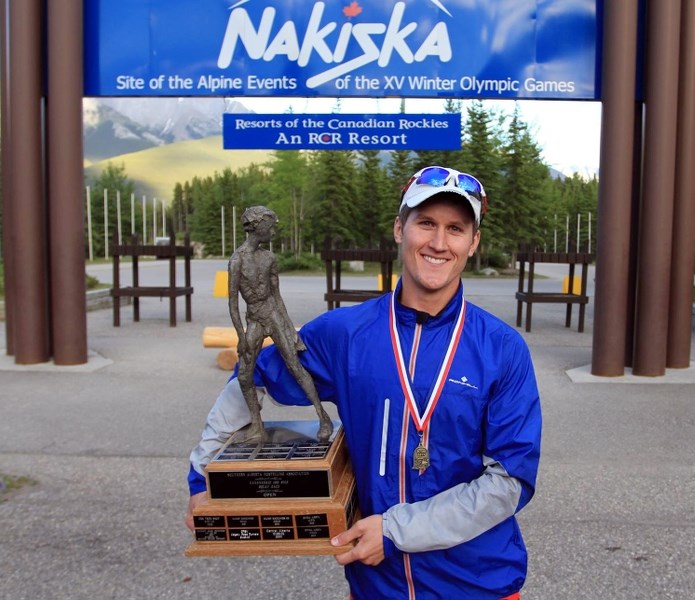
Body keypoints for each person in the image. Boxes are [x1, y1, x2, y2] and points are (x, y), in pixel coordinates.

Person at [187, 166, 542, 600]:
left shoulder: (502, 349)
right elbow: (253, 375)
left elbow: (510, 482)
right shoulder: (345, 334)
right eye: (425, 223)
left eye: (455, 228)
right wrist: (202, 477)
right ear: (399, 229)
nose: (438, 242)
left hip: (480, 585)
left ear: (473, 243)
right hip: (378, 587)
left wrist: (396, 531)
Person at [228, 205, 332, 442]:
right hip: (254, 320)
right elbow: (233, 303)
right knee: (244, 375)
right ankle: (257, 425)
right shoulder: (237, 261)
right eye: (270, 227)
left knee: (295, 366)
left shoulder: (269, 258)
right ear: (257, 226)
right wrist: (242, 337)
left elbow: (277, 296)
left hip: (273, 316)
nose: (273, 233)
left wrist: (289, 328)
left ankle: (322, 416)